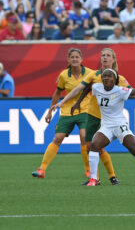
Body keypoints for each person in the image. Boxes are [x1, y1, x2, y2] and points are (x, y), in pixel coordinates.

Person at [51, 48, 135, 185]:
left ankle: (112, 176)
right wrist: (62, 102)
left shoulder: (119, 79)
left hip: (109, 119)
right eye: (103, 55)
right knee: (89, 146)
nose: (105, 58)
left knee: (99, 147)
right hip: (93, 115)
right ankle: (95, 178)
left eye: (108, 56)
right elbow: (79, 89)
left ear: (113, 59)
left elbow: (134, 93)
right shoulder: (93, 75)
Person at [85, 69, 135, 186]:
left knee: (134, 149)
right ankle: (93, 179)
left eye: (109, 76)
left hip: (120, 125)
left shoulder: (120, 91)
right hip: (106, 126)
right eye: (104, 76)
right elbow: (86, 88)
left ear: (115, 79)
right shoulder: (96, 87)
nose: (106, 78)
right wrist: (78, 103)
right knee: (94, 145)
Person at [32, 48, 93, 179]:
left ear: (81, 59)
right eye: (72, 57)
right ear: (68, 59)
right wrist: (50, 111)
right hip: (67, 111)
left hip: (85, 110)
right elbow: (58, 93)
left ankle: (88, 170)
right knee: (57, 138)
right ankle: (42, 169)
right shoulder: (64, 75)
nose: (75, 59)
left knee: (84, 137)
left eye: (77, 57)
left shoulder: (90, 73)